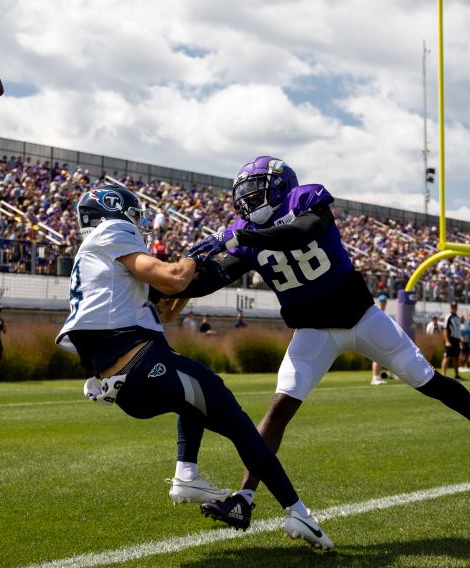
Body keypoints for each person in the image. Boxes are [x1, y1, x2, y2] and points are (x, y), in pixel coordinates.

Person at [162, 156, 470, 530]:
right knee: (279, 409)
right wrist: (170, 279)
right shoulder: (247, 236)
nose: (248, 203)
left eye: (256, 193)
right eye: (245, 197)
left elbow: (303, 231)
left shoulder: (305, 202)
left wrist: (241, 237)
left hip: (363, 319)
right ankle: (244, 500)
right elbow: (217, 276)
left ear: (280, 187)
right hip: (313, 332)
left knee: (428, 380)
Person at [55, 183, 333, 548]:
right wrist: (194, 255)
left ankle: (187, 472)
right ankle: (298, 513)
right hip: (139, 363)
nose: (137, 224)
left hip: (126, 383)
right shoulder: (113, 232)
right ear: (114, 210)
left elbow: (167, 307)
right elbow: (174, 277)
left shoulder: (99, 260)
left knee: (196, 392)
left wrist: (193, 271)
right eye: (134, 216)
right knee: (238, 422)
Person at [369, 294, 393, 385]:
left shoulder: (384, 313)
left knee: (379, 358)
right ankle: (375, 378)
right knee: (376, 358)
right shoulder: (376, 311)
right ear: (379, 302)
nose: (383, 303)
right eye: (381, 301)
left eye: (384, 302)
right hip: (376, 338)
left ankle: (377, 377)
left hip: (382, 338)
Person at [441, 302, 463, 380]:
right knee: (447, 356)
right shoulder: (448, 317)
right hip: (450, 339)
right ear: (451, 308)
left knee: (456, 357)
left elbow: (458, 330)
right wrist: (447, 341)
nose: (454, 308)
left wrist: (460, 341)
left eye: (455, 307)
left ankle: (457, 374)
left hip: (456, 339)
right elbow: (445, 329)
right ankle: (443, 375)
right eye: (452, 307)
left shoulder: (457, 317)